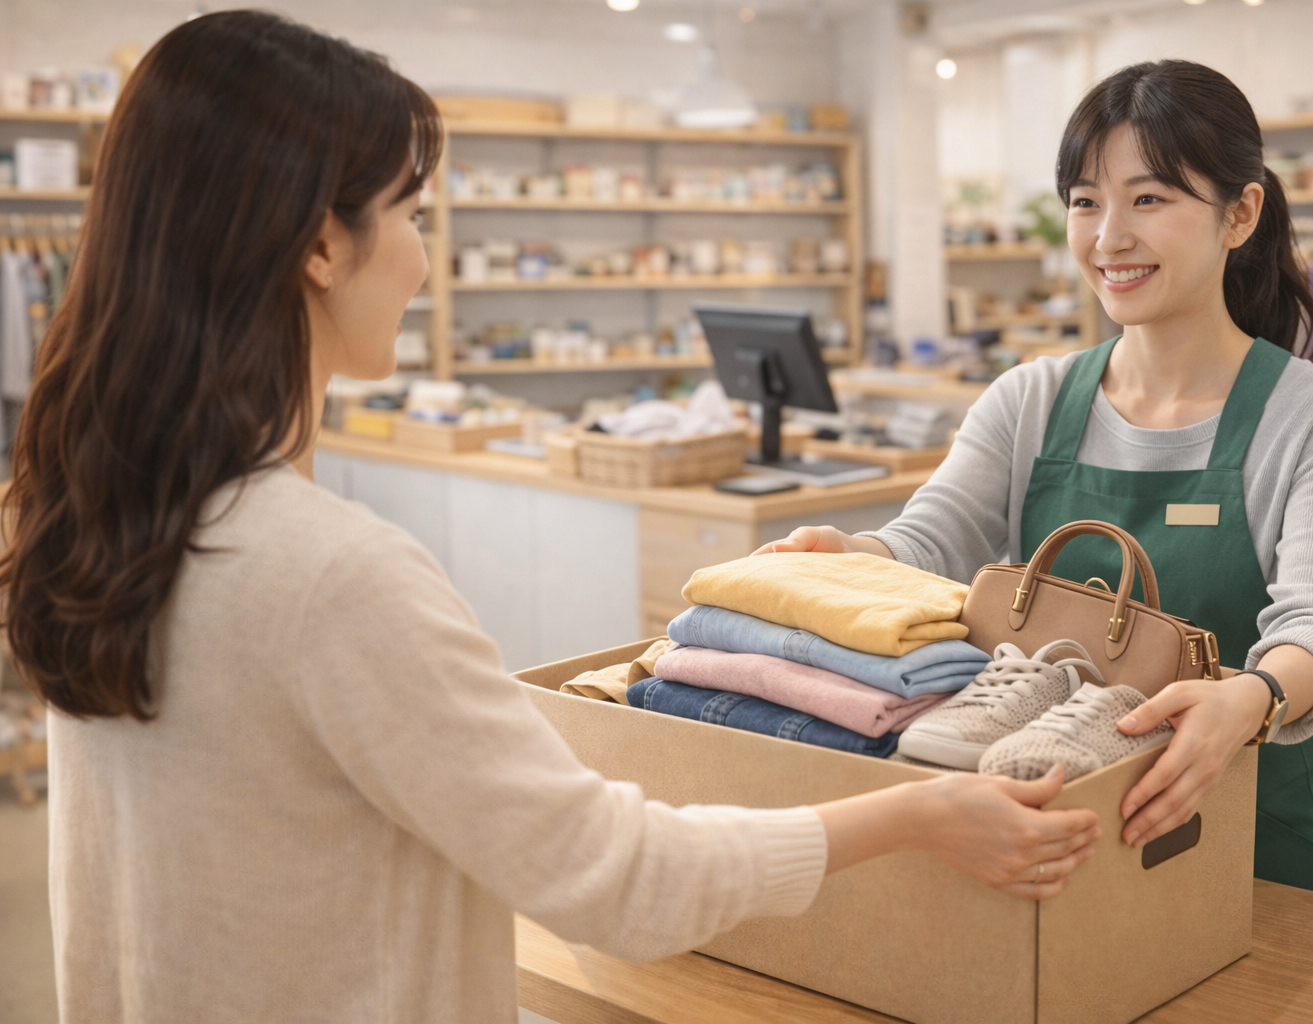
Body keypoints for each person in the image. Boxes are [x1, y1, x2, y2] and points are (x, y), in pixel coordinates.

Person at [0, 12, 1101, 1024]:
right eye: (413, 215)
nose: (425, 262)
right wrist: (913, 815)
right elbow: (618, 882)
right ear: (320, 246)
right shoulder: (327, 575)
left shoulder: (86, 519)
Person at [760, 60, 1313, 902]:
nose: (1107, 237)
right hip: (1061, 828)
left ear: (1240, 214)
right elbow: (928, 541)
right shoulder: (1031, 399)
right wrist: (852, 552)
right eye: (1085, 201)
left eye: (1149, 199)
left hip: (1261, 834)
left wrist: (1255, 695)